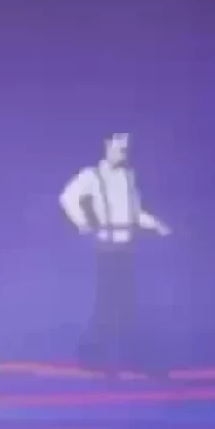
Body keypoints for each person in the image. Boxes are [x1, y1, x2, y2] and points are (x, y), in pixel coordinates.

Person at [58, 132, 170, 372]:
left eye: (126, 147)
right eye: (120, 146)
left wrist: (155, 224)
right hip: (106, 249)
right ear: (107, 145)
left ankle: (130, 357)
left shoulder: (128, 177)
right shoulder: (92, 175)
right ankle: (92, 357)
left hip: (126, 248)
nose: (124, 151)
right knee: (106, 306)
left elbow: (135, 213)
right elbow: (67, 198)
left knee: (128, 305)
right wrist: (83, 224)